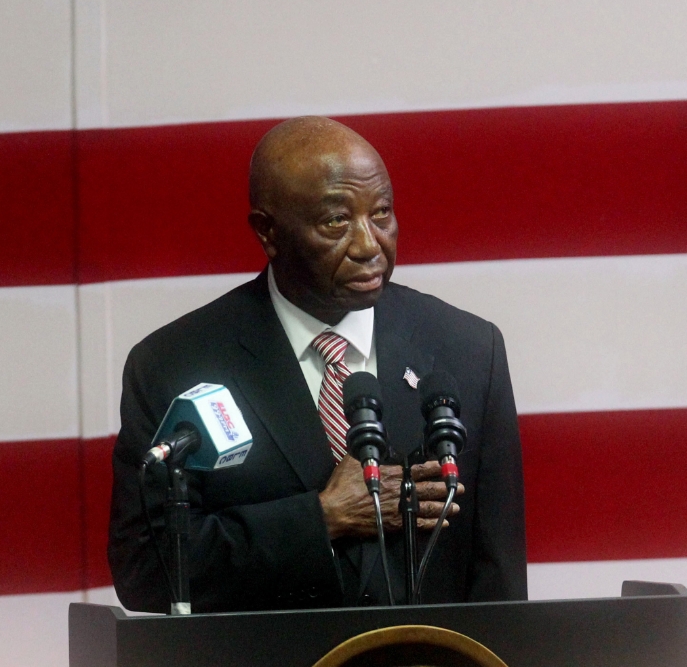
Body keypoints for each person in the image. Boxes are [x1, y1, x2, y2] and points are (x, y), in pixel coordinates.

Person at [108, 116, 527, 613]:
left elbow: (498, 582)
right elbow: (146, 570)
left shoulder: (470, 350)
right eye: (335, 221)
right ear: (268, 232)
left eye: (382, 214)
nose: (369, 245)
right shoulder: (177, 362)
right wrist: (320, 518)